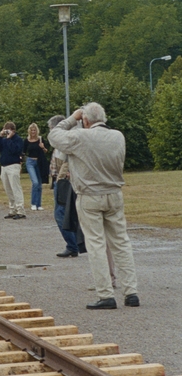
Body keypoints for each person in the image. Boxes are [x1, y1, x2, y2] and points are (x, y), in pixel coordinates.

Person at [48, 103, 139, 309]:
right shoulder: (118, 136)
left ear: (86, 120)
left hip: (89, 195)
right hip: (114, 194)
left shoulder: (80, 136)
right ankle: (131, 291)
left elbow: (54, 136)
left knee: (96, 244)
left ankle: (106, 294)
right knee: (121, 243)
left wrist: (72, 118)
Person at [48, 116, 82, 258]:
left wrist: (62, 178)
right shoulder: (60, 145)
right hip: (59, 180)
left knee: (61, 213)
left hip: (64, 182)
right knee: (63, 213)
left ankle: (73, 245)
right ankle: (73, 244)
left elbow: (67, 163)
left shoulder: (66, 143)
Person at [0, 122, 26, 219]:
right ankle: (13, 209)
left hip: (13, 165)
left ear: (13, 130)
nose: (7, 132)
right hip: (4, 166)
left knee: (16, 188)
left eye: (8, 130)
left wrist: (9, 139)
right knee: (8, 189)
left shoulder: (18, 140)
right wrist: (0, 137)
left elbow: (15, 150)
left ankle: (20, 210)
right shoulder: (3, 140)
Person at [23, 123, 49, 211]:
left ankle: (38, 204)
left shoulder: (40, 139)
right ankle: (33, 203)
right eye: (31, 130)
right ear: (29, 131)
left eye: (34, 130)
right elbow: (23, 151)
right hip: (30, 162)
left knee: (40, 184)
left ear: (36, 131)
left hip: (39, 162)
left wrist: (43, 147)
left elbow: (46, 151)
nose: (33, 132)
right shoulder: (26, 140)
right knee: (35, 182)